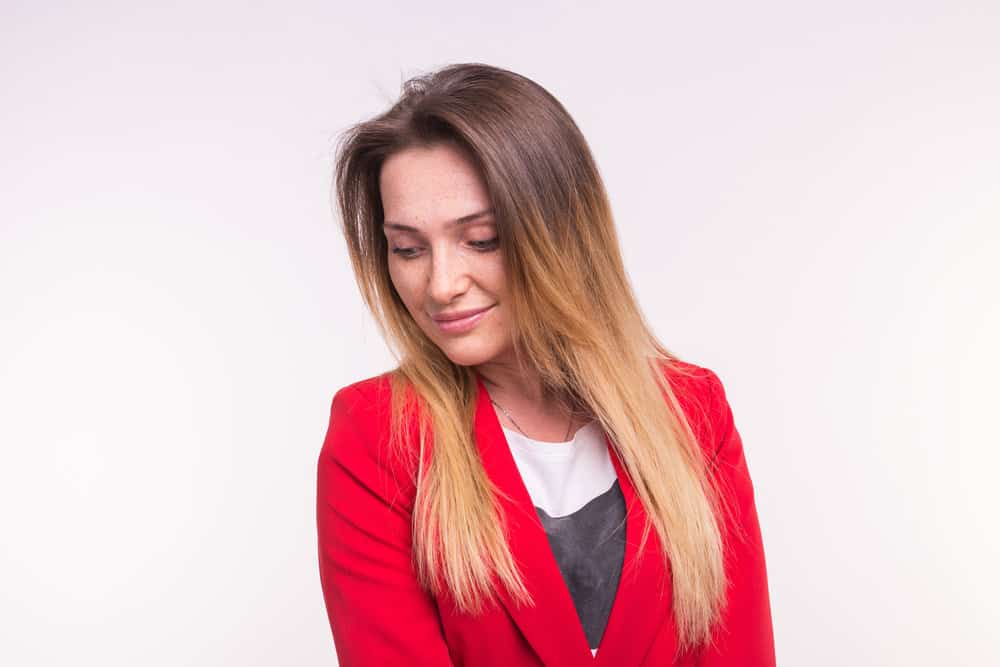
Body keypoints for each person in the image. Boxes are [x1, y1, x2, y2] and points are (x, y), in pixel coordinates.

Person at [316, 62, 775, 666]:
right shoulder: (379, 435)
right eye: (408, 249)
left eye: (481, 239)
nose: (441, 284)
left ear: (561, 232)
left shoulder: (692, 413)